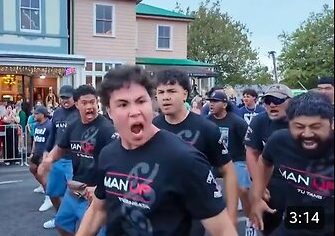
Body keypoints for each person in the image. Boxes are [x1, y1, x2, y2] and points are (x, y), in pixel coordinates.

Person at [77, 65, 237, 236]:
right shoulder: (108, 154)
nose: (135, 112)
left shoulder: (184, 159)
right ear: (109, 112)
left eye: (141, 101)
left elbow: (223, 231)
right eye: (123, 104)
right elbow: (98, 210)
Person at [152, 69, 238, 235]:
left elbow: (228, 170)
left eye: (171, 91)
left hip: (194, 211)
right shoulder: (153, 126)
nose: (165, 97)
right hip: (160, 209)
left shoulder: (206, 128)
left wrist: (232, 215)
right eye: (160, 92)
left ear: (185, 94)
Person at [250, 91, 334, 236]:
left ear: (332, 123)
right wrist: (257, 197)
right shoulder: (279, 141)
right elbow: (264, 161)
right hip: (299, 220)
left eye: (315, 127)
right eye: (299, 127)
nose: (307, 134)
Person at [40, 85, 117, 236]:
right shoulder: (73, 126)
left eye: (93, 102)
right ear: (76, 104)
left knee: (95, 233)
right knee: (61, 224)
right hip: (75, 188)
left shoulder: (107, 129)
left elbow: (118, 161)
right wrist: (48, 159)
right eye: (84, 103)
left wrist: (101, 189)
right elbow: (61, 147)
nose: (90, 107)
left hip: (95, 194)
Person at [245, 83, 294, 236]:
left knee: (303, 227)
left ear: (291, 102)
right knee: (271, 227)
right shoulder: (260, 121)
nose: (272, 104)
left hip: (300, 184)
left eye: (278, 100)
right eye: (268, 100)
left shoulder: (302, 120)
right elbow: (252, 152)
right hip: (272, 184)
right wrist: (258, 185)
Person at [206, 91, 254, 234]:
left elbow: (249, 147)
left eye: (215, 101)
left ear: (225, 104)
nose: (211, 104)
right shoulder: (206, 122)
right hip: (213, 162)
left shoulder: (237, 122)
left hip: (236, 161)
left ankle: (250, 221)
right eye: (210, 101)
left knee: (243, 190)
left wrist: (249, 168)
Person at [41, 85, 80, 229]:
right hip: (57, 159)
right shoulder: (57, 113)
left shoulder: (79, 112)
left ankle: (75, 221)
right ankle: (59, 217)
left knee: (75, 195)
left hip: (73, 159)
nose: (65, 100)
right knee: (52, 192)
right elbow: (53, 134)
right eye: (62, 97)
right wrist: (46, 151)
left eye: (67, 97)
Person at [28, 106, 54, 204]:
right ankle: (42, 186)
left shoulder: (49, 126)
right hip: (37, 152)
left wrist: (49, 155)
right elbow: (35, 140)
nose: (34, 115)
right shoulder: (36, 125)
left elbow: (52, 141)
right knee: (32, 169)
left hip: (44, 153)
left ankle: (49, 196)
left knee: (41, 173)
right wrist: (32, 153)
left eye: (36, 113)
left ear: (42, 114)